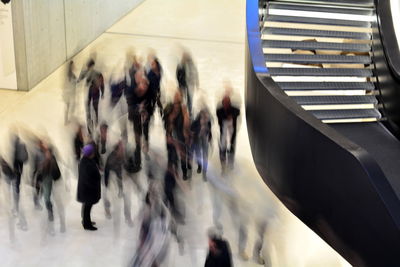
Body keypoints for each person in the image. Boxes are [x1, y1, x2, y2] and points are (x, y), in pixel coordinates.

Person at [127, 70, 152, 169]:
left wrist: (146, 112)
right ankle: (138, 162)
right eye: (143, 85)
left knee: (145, 136)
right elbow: (130, 106)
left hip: (144, 119)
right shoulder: (131, 91)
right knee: (138, 139)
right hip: (135, 119)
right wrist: (139, 109)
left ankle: (145, 151)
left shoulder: (147, 93)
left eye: (146, 86)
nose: (144, 88)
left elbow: (149, 104)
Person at [163, 92, 191, 180]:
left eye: (178, 102)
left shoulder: (184, 109)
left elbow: (187, 122)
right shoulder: (169, 107)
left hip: (180, 134)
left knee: (183, 154)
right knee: (172, 153)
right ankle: (173, 170)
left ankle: (184, 171)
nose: (176, 104)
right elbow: (165, 120)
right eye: (175, 101)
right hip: (171, 134)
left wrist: (186, 133)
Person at [77, 144, 101, 230]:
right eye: (92, 152)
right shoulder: (86, 163)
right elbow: (88, 177)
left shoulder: (85, 161)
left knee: (87, 207)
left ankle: (86, 221)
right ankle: (87, 225)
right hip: (88, 190)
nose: (94, 153)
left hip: (86, 189)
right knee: (87, 207)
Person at [78, 58, 104, 134]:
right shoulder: (95, 73)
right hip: (92, 93)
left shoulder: (96, 73)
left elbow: (78, 80)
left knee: (92, 110)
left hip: (92, 93)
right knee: (92, 109)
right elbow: (79, 80)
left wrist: (102, 92)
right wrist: (102, 92)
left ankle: (94, 124)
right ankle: (93, 125)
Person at [216, 95, 240, 172]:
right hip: (223, 131)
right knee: (222, 146)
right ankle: (223, 166)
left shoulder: (234, 109)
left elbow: (237, 111)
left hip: (231, 132)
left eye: (228, 103)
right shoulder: (219, 110)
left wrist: (232, 116)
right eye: (225, 103)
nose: (226, 104)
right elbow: (221, 117)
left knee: (232, 146)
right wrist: (228, 117)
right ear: (223, 103)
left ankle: (230, 164)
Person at [190, 107, 212, 181]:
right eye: (203, 116)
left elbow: (209, 131)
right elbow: (191, 130)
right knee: (198, 155)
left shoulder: (208, 122)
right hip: (197, 140)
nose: (205, 118)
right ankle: (199, 166)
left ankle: (204, 174)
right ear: (200, 116)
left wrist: (210, 137)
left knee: (205, 156)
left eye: (206, 116)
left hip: (205, 140)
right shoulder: (195, 122)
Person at [176, 51, 199, 117]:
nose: (184, 58)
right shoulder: (180, 64)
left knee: (190, 99)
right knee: (182, 100)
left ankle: (190, 112)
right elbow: (177, 74)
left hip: (189, 85)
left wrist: (197, 83)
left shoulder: (191, 64)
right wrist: (179, 84)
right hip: (182, 85)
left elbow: (195, 74)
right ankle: (182, 113)